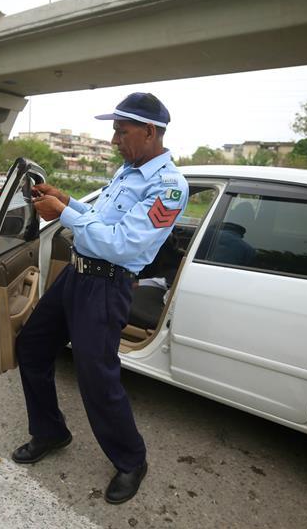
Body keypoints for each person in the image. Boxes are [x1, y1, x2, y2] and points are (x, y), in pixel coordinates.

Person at [12, 92, 188, 505]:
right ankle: (50, 432)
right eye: (113, 130)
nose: (113, 140)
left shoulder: (169, 186)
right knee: (33, 347)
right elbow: (99, 220)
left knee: (97, 378)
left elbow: (123, 245)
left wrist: (63, 213)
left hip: (107, 285)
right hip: (76, 274)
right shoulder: (128, 172)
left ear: (149, 132)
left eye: (120, 131)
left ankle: (131, 460)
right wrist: (68, 201)